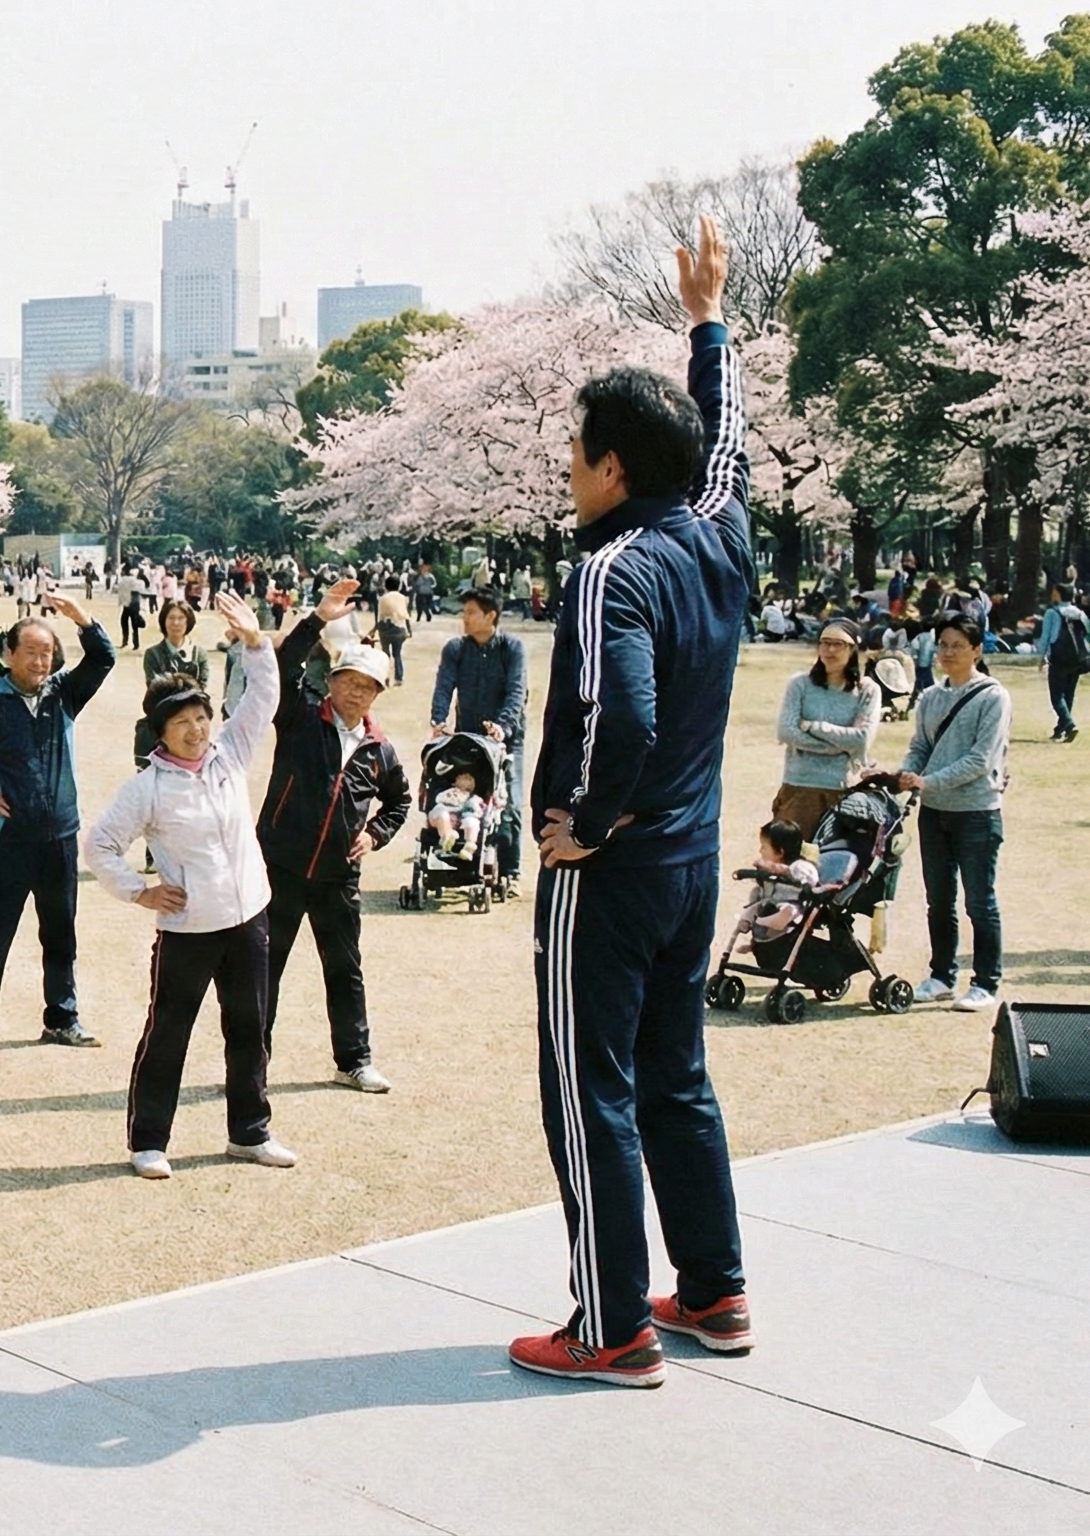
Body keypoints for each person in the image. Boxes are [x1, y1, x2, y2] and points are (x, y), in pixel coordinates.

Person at [516, 217, 752, 1387]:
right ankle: (712, 1290)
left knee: (587, 1087)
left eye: (573, 452)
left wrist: (584, 822)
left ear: (612, 469)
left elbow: (625, 714)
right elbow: (729, 453)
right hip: (690, 865)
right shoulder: (717, 532)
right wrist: (705, 324)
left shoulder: (610, 567)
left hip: (604, 875)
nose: (565, 468)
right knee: (675, 1074)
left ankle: (608, 1324)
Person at [85, 593, 282, 1177]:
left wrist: (256, 641)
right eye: (182, 723)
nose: (196, 730)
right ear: (161, 733)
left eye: (201, 718)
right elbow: (99, 845)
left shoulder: (229, 755)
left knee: (249, 1028)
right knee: (168, 1033)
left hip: (249, 918)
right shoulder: (148, 787)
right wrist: (139, 890)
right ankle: (149, 1141)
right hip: (189, 931)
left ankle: (250, 1131)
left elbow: (262, 701)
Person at [0, 595, 118, 1056]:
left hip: (60, 837)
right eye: (30, 651)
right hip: (8, 841)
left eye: (47, 652)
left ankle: (62, 1018)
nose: (39, 660)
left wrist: (79, 618)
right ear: (7, 654)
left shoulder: (64, 694)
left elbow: (104, 657)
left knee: (60, 934)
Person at [257, 584, 409, 1096]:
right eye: (349, 680)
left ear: (376, 694)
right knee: (264, 967)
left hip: (338, 878)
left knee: (345, 969)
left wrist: (376, 834)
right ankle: (252, 1061)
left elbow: (400, 803)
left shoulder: (379, 750)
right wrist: (316, 620)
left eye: (368, 686)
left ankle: (355, 1060)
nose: (356, 692)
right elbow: (282, 666)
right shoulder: (300, 717)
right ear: (334, 679)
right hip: (280, 866)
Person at [900, 613, 1011, 1014]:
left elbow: (981, 759)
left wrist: (928, 782)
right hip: (934, 812)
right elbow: (921, 746)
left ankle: (985, 981)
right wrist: (907, 772)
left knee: (979, 901)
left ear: (977, 651)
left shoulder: (993, 696)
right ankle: (941, 975)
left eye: (957, 646)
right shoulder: (930, 697)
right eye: (943, 645)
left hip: (977, 811)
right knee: (939, 900)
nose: (947, 653)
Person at [428, 589, 530, 887]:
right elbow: (444, 685)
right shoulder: (456, 648)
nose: (465, 618)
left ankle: (510, 871)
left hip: (506, 738)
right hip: (468, 736)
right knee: (462, 796)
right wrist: (439, 720)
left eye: (471, 612)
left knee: (507, 800)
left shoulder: (512, 648)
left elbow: (516, 691)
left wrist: (503, 726)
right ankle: (457, 862)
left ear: (490, 615)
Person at [772, 618, 879, 837]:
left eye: (837, 644)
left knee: (835, 865)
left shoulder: (868, 690)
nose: (829, 649)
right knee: (790, 863)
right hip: (799, 785)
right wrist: (837, 747)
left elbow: (861, 738)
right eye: (824, 642)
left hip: (842, 789)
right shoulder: (800, 683)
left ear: (852, 649)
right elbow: (786, 732)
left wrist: (814, 727)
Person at [133, 601, 209, 769]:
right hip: (160, 721)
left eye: (181, 618)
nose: (176, 623)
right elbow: (156, 689)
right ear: (163, 621)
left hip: (191, 726)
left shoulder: (200, 655)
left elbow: (200, 691)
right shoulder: (152, 654)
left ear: (188, 621)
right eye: (171, 618)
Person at [742, 819, 819, 946]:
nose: (760, 851)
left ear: (780, 851)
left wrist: (783, 871)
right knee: (755, 897)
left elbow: (810, 877)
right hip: (769, 901)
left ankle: (773, 920)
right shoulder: (768, 866)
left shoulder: (799, 865)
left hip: (792, 903)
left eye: (764, 847)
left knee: (791, 910)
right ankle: (747, 921)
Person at [1040, 583, 1085, 743]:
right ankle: (1061, 729)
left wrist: (1042, 656)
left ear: (1058, 594)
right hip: (1077, 659)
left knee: (1057, 696)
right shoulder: (1079, 613)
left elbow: (1046, 637)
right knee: (1069, 694)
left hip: (1058, 659)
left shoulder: (1052, 613)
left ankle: (1069, 725)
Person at [425, 769, 484, 855]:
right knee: (442, 815)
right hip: (443, 813)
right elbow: (439, 799)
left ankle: (470, 843)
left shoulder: (472, 798)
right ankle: (447, 837)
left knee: (471, 820)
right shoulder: (449, 792)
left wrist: (475, 808)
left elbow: (476, 808)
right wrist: (450, 796)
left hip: (459, 818)